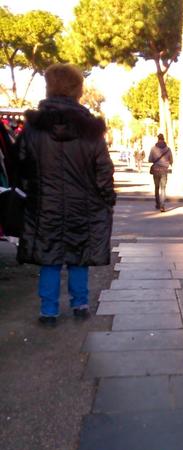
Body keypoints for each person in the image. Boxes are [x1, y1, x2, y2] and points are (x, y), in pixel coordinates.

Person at [15, 63, 115, 327]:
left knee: (49, 259)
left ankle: (48, 312)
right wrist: (106, 199)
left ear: (49, 88)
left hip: (44, 207)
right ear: (77, 90)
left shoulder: (33, 129)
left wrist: (32, 190)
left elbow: (20, 165)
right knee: (78, 256)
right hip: (82, 207)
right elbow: (103, 171)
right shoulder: (91, 130)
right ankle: (80, 305)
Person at [148, 133, 173, 212]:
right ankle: (162, 205)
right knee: (163, 188)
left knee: (156, 187)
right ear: (163, 139)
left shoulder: (153, 149)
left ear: (158, 139)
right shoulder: (168, 149)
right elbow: (171, 160)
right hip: (164, 171)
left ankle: (157, 203)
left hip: (155, 170)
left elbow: (150, 159)